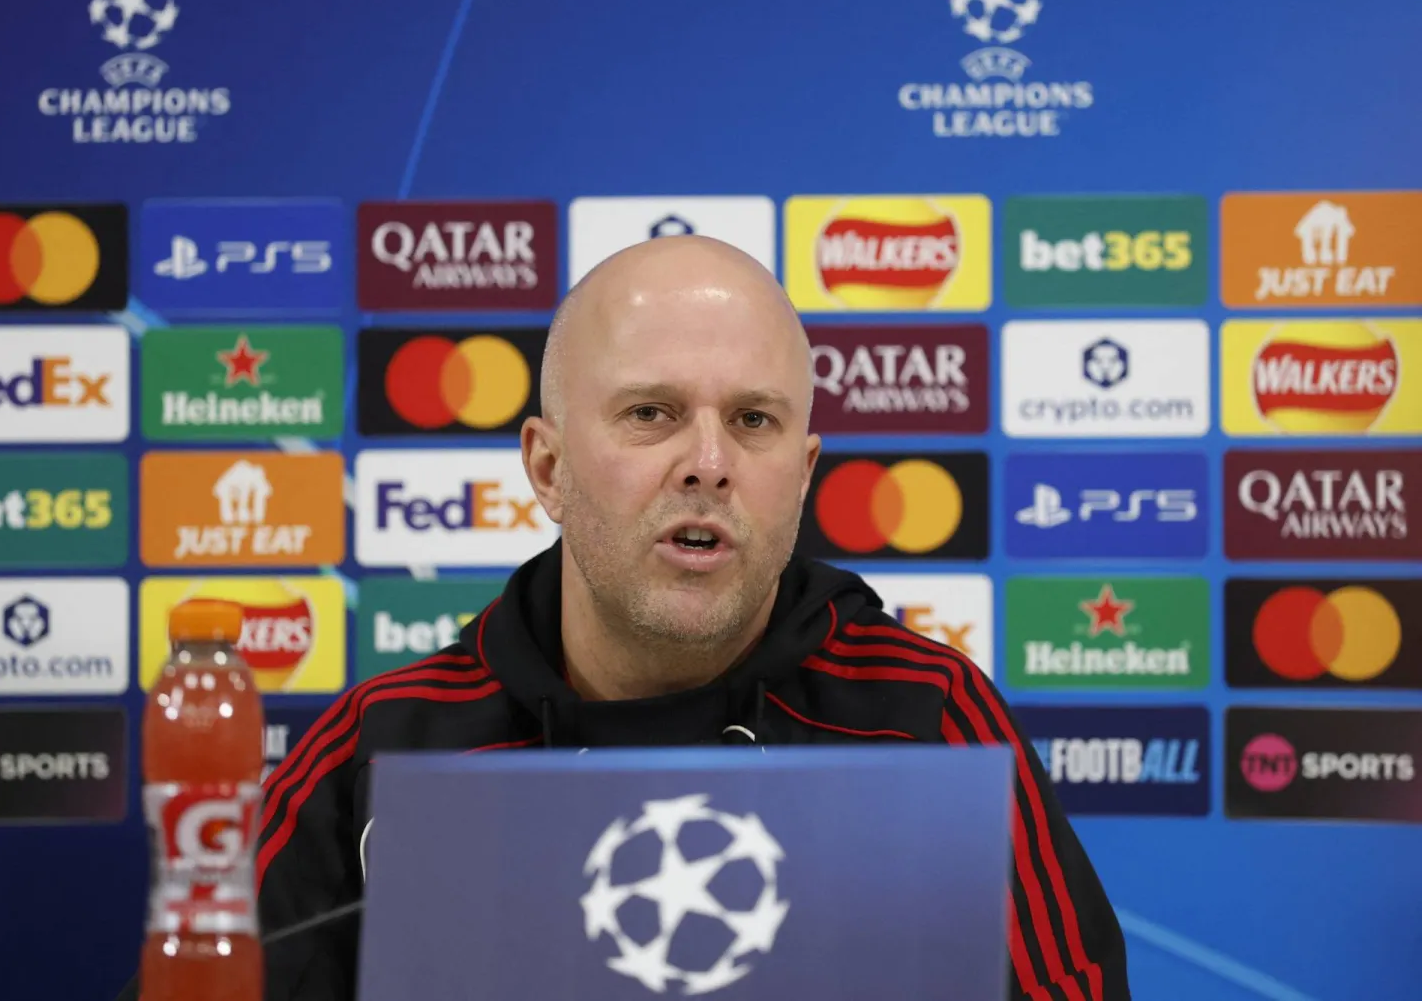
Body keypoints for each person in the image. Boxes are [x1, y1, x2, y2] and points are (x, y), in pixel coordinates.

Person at [117, 234, 1130, 1001]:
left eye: (754, 420)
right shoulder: (383, 745)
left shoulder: (930, 717)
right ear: (548, 469)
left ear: (803, 473)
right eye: (650, 413)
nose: (708, 461)